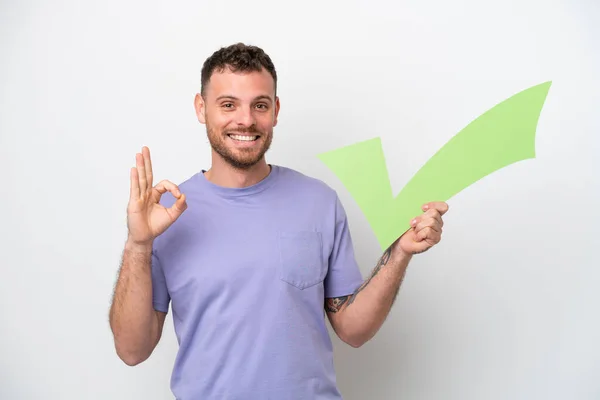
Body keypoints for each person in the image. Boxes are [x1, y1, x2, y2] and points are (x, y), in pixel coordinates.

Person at [108, 42, 449, 399]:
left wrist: (400, 253)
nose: (246, 120)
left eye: (260, 105)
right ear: (201, 108)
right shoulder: (166, 213)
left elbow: (353, 329)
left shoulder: (319, 202)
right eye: (228, 105)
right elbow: (133, 351)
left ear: (276, 110)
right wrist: (139, 243)